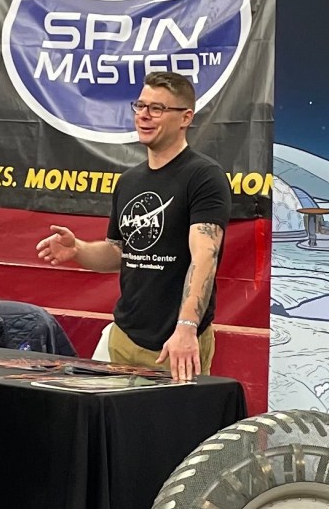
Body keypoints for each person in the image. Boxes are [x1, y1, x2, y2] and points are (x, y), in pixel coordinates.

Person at [33, 70, 231, 383]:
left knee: (173, 432)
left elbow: (204, 257)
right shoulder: (130, 181)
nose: (144, 116)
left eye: (158, 109)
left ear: (185, 117)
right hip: (124, 339)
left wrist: (186, 328)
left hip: (174, 346)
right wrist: (78, 250)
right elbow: (119, 251)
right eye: (140, 106)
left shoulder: (204, 176)